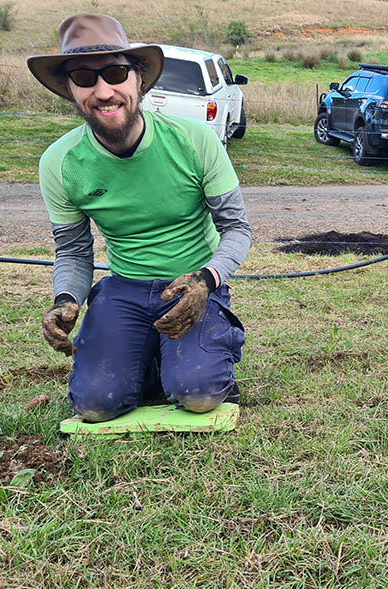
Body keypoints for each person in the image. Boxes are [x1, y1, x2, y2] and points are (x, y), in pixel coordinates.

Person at [28, 14, 252, 422]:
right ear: (69, 90)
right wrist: (65, 300)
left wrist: (206, 279)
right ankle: (149, 357)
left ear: (139, 80)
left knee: (199, 395)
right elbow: (74, 251)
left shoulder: (195, 141)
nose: (103, 90)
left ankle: (190, 357)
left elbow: (237, 229)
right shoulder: (59, 163)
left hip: (193, 285)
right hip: (124, 289)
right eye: (83, 76)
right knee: (95, 406)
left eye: (115, 72)